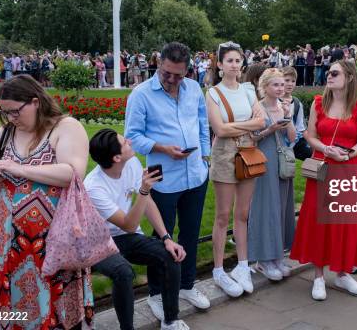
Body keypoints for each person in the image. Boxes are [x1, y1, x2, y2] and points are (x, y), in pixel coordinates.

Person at [0, 75, 93, 329]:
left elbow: (73, 174)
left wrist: (20, 169)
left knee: (52, 303)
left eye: (15, 112)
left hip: (53, 242)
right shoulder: (5, 132)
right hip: (7, 241)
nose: (10, 118)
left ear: (35, 102)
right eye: (4, 112)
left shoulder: (65, 127)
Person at [125, 42, 212, 315]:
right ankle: (156, 292)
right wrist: (163, 148)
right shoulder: (141, 95)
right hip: (161, 176)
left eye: (179, 74)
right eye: (167, 73)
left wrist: (204, 157)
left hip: (196, 174)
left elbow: (202, 123)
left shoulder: (194, 89)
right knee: (161, 237)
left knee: (190, 232)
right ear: (158, 64)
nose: (172, 79)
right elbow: (133, 138)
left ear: (188, 70)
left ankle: (187, 284)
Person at [85, 129, 188, 330]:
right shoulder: (93, 187)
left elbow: (147, 204)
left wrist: (166, 237)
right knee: (123, 272)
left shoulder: (130, 163)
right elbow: (129, 223)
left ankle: (171, 321)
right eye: (125, 143)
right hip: (98, 243)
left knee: (170, 254)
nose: (130, 142)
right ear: (116, 157)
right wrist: (143, 189)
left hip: (127, 237)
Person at [290, 60, 357, 301]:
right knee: (319, 220)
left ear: (349, 77)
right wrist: (326, 149)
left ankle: (343, 272)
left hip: (349, 168)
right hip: (323, 169)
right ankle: (318, 276)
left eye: (334, 73)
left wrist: (347, 153)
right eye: (328, 72)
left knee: (345, 220)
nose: (329, 76)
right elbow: (309, 136)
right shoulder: (319, 103)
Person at [206, 41, 265, 297]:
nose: (234, 64)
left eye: (238, 60)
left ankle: (242, 265)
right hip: (224, 155)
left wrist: (242, 126)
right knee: (222, 215)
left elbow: (262, 120)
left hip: (248, 152)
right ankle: (218, 269)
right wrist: (248, 124)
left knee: (242, 214)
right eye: (229, 60)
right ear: (220, 64)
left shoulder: (249, 89)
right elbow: (219, 130)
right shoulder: (213, 94)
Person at [247, 69, 296, 281]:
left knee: (281, 207)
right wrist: (270, 129)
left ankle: (277, 255)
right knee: (265, 207)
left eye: (282, 85)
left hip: (282, 161)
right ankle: (263, 259)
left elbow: (293, 137)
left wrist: (288, 118)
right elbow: (251, 137)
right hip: (263, 159)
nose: (280, 88)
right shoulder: (257, 108)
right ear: (265, 86)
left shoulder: (284, 106)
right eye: (275, 85)